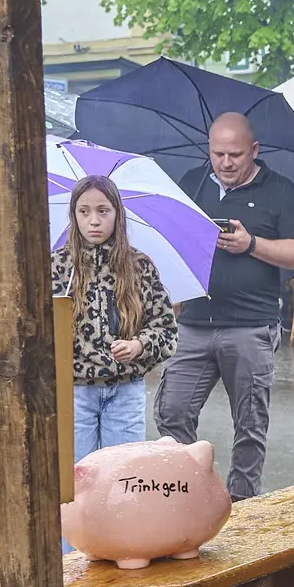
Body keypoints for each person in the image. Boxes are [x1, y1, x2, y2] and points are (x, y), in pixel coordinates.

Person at [157, 112, 294, 500]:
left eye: (236, 155)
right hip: (193, 322)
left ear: (254, 151)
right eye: (218, 154)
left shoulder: (281, 190)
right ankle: (187, 496)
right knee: (172, 412)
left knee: (249, 424)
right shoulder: (192, 183)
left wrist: (252, 244)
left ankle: (243, 506)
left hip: (251, 326)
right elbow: (170, 238)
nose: (226, 163)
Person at [52, 176, 177, 463]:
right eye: (84, 212)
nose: (93, 220)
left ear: (117, 215)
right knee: (75, 478)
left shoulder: (138, 266)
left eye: (103, 211)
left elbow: (166, 328)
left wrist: (139, 345)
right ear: (73, 216)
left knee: (124, 475)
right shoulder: (57, 267)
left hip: (125, 390)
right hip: (75, 391)